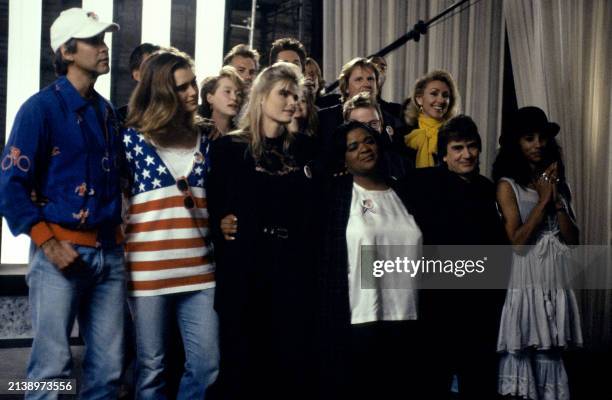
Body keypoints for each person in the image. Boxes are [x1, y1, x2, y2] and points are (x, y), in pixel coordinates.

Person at [0, 8, 125, 399]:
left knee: (108, 372)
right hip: (59, 253)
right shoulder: (39, 109)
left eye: (103, 39)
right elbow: (11, 185)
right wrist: (48, 243)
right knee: (50, 370)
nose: (103, 48)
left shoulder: (106, 112)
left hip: (109, 256)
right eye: (93, 41)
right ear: (67, 51)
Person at [207, 62, 316, 400]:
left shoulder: (304, 149)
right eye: (284, 93)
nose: (292, 103)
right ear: (261, 95)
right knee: (240, 369)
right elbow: (213, 208)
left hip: (290, 272)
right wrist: (220, 222)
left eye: (296, 96)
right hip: (243, 272)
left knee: (285, 368)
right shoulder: (228, 149)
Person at [122, 48, 219, 400]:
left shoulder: (206, 141)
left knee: (207, 365)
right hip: (148, 274)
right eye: (182, 87)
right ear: (162, 91)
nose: (193, 92)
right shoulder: (131, 141)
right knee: (152, 368)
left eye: (193, 83)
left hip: (200, 271)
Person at [318, 121, 423, 400]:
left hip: (407, 316)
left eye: (369, 141)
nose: (364, 148)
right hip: (358, 318)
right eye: (353, 147)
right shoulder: (334, 194)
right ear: (343, 158)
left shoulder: (404, 192)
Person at [407, 115, 508, 399]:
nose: (467, 154)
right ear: (443, 154)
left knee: (479, 380)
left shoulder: (488, 188)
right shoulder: (420, 183)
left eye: (472, 146)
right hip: (437, 304)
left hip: (481, 306)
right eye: (458, 148)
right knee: (432, 381)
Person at [493, 106, 582, 400]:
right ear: (517, 144)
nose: (538, 145)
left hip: (554, 279)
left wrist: (555, 198)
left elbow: (573, 239)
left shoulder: (559, 185)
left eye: (541, 137)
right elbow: (518, 244)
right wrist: (542, 202)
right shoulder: (509, 186)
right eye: (529, 138)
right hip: (526, 277)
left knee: (552, 353)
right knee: (526, 352)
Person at [343, 91, 411, 177]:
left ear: (381, 124)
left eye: (373, 124)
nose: (369, 131)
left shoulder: (402, 165)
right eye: (360, 126)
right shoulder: (338, 169)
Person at [403, 69, 460, 168]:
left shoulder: (454, 135)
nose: (441, 100)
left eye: (445, 96)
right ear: (419, 99)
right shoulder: (403, 133)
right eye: (434, 94)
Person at [117, 42, 160, 124]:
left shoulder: (180, 110)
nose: (159, 72)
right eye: (151, 67)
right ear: (137, 75)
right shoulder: (121, 116)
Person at [199, 65, 245, 139]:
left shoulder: (242, 138)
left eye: (238, 94)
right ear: (210, 98)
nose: (234, 98)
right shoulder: (197, 133)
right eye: (227, 91)